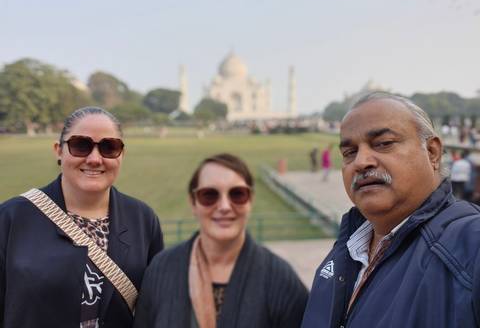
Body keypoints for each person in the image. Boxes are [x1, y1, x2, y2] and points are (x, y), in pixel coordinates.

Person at [302, 92, 480, 327]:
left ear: (432, 152)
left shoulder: (469, 247)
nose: (361, 161)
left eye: (384, 144)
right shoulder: (345, 252)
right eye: (349, 153)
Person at [0, 107, 164, 328]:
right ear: (59, 151)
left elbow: (156, 310)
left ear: (122, 154)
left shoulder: (142, 219)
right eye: (80, 145)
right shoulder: (12, 217)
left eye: (109, 147)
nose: (95, 159)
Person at [134, 153, 308, 328]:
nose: (224, 206)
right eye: (209, 195)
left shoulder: (281, 281)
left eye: (237, 194)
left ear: (250, 200)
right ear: (193, 203)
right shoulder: (160, 270)